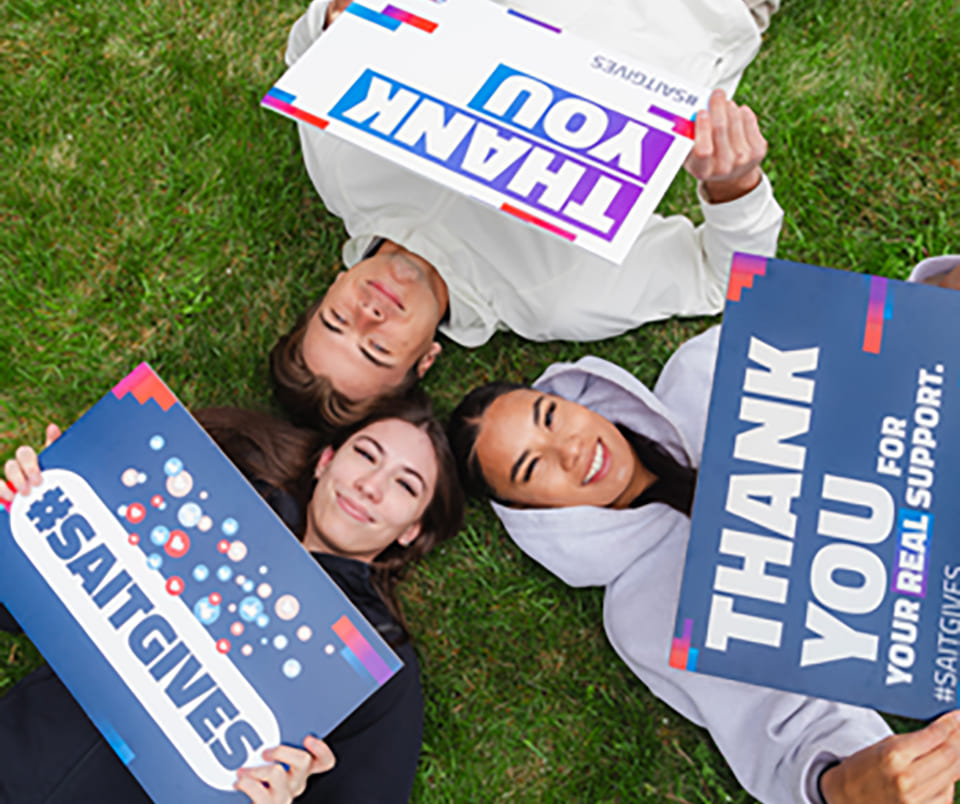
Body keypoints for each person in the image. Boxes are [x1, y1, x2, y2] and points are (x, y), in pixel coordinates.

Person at [446, 256, 960, 803]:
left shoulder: (705, 368)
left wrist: (936, 303)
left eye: (550, 416)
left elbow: (869, 354)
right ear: (533, 513)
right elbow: (782, 726)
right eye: (533, 468)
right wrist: (846, 785)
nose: (570, 449)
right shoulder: (644, 610)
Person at [271, 0, 784, 426]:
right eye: (378, 349)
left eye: (337, 320)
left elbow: (308, 54)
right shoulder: (553, 297)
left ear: (333, 285)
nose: (369, 315)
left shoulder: (344, 172)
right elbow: (720, 279)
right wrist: (732, 182)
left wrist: (337, 19)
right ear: (425, 359)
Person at [0, 395, 464, 804]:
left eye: (405, 485)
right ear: (325, 460)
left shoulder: (380, 663)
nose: (371, 486)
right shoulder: (199, 509)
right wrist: (33, 510)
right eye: (366, 455)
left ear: (412, 530)